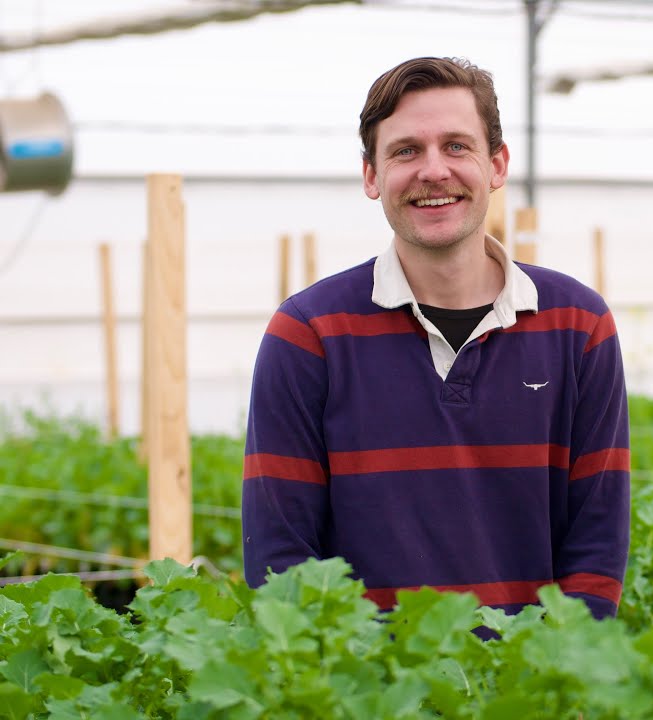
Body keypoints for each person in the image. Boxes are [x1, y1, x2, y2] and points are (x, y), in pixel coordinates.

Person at [241, 57, 630, 620]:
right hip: (369, 676)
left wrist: (550, 666)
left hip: (530, 673)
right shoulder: (309, 334)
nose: (433, 171)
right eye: (405, 151)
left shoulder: (577, 325)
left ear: (496, 164)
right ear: (371, 176)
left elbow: (596, 551)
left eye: (456, 146)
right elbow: (280, 560)